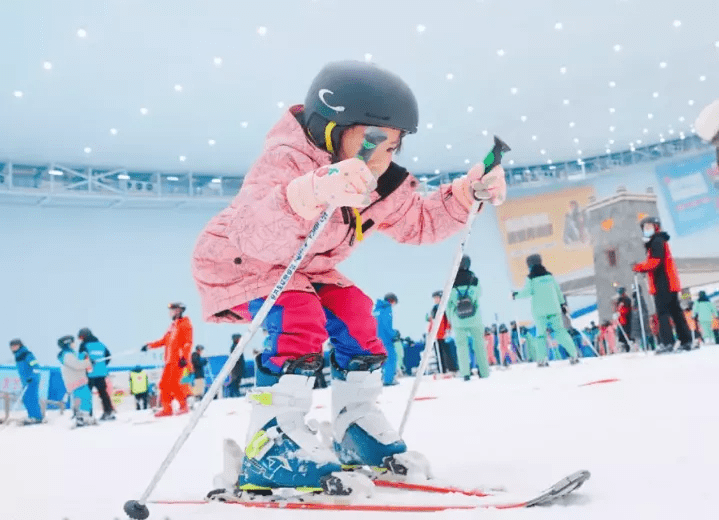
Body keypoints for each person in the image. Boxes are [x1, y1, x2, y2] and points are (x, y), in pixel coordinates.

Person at [190, 60, 506, 492]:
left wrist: (466, 195)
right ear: (330, 129)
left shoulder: (377, 182)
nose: (381, 157)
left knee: (359, 314)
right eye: (372, 140)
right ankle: (269, 443)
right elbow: (252, 232)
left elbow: (419, 221)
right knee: (297, 316)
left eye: (392, 147)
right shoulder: (288, 159)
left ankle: (354, 424)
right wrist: (310, 192)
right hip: (238, 261)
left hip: (305, 267)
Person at [632, 216, 692, 354]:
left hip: (663, 282)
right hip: (668, 282)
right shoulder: (659, 241)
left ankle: (667, 343)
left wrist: (639, 267)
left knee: (663, 312)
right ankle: (686, 340)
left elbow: (656, 262)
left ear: (656, 227)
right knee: (676, 312)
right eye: (644, 227)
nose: (647, 230)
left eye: (649, 226)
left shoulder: (657, 241)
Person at [513, 254, 579, 365]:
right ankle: (574, 355)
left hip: (540, 311)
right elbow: (558, 291)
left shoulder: (531, 278)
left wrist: (515, 295)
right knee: (560, 332)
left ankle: (542, 359)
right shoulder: (549, 276)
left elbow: (527, 292)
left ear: (529, 264)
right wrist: (562, 304)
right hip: (554, 309)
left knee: (541, 335)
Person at [142, 302, 193, 417]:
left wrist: (184, 357)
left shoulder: (185, 324)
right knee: (163, 384)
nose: (170, 313)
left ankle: (183, 406)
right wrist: (148, 346)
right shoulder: (172, 327)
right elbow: (163, 341)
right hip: (169, 361)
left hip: (178, 360)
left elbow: (187, 343)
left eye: (173, 310)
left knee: (174, 385)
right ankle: (167, 409)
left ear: (179, 311)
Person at [447, 256, 489, 380]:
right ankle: (484, 372)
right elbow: (479, 295)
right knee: (479, 345)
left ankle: (465, 373)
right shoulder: (474, 279)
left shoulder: (451, 282)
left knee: (461, 346)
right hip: (475, 317)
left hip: (458, 320)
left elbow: (448, 304)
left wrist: (451, 320)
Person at [77, 328, 115, 420]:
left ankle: (88, 414)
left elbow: (80, 358)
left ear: (85, 336)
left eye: (81, 337)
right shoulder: (101, 345)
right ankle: (108, 412)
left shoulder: (84, 345)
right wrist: (101, 366)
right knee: (103, 394)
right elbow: (108, 357)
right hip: (101, 374)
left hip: (89, 374)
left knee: (87, 395)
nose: (81, 339)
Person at [57, 335, 94, 427]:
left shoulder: (70, 354)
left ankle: (83, 417)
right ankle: (81, 418)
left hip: (78, 380)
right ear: (68, 344)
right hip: (76, 381)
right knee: (83, 398)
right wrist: (88, 363)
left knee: (84, 398)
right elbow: (77, 365)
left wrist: (86, 359)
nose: (74, 344)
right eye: (72, 342)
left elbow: (78, 360)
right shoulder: (67, 355)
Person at [9, 339, 43, 424]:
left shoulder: (27, 354)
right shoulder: (17, 356)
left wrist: (32, 376)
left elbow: (36, 366)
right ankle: (31, 416)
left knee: (31, 398)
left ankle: (37, 417)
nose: (13, 348)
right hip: (25, 381)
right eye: (12, 346)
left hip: (32, 380)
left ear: (20, 345)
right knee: (26, 398)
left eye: (15, 345)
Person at [374, 293, 399, 386]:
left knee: (381, 360)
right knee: (391, 358)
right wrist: (394, 334)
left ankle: (382, 378)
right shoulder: (387, 309)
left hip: (376, 339)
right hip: (386, 339)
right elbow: (386, 325)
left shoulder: (376, 310)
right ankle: (388, 380)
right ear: (392, 301)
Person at [427, 290, 455, 373]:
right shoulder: (434, 309)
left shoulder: (444, 308)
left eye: (437, 298)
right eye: (434, 298)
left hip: (443, 334)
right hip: (436, 334)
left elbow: (448, 320)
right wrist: (430, 331)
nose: (435, 300)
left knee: (447, 352)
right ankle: (442, 369)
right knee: (439, 353)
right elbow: (432, 321)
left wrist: (448, 330)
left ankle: (450, 368)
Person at [615, 287, 633, 352]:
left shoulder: (627, 299)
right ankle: (624, 346)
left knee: (627, 335)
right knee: (621, 335)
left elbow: (627, 310)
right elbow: (617, 308)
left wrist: (620, 311)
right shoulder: (619, 300)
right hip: (621, 321)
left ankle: (628, 347)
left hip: (626, 320)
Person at [227, 333, 244, 398]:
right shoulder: (234, 347)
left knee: (237, 381)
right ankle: (234, 394)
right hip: (236, 368)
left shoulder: (238, 346)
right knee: (235, 382)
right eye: (238, 339)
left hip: (238, 368)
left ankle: (235, 393)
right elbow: (236, 358)